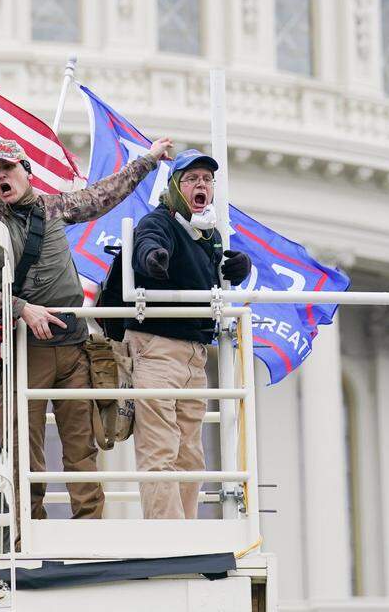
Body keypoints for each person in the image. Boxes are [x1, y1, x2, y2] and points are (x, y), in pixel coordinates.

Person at [0, 136, 172, 520]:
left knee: (81, 445)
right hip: (24, 351)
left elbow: (103, 195)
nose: (2, 177)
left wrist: (148, 160)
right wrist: (22, 309)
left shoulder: (53, 207)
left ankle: (88, 530)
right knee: (23, 447)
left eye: (8, 168)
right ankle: (29, 531)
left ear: (26, 172)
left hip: (74, 347)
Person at [121, 149, 251, 519]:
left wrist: (237, 266)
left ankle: (187, 531)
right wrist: (152, 258)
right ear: (176, 187)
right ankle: (169, 539)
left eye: (207, 180)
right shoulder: (161, 222)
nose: (201, 185)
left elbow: (212, 278)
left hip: (194, 355)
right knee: (160, 449)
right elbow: (146, 242)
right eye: (192, 179)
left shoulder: (206, 234)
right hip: (158, 349)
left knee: (190, 453)